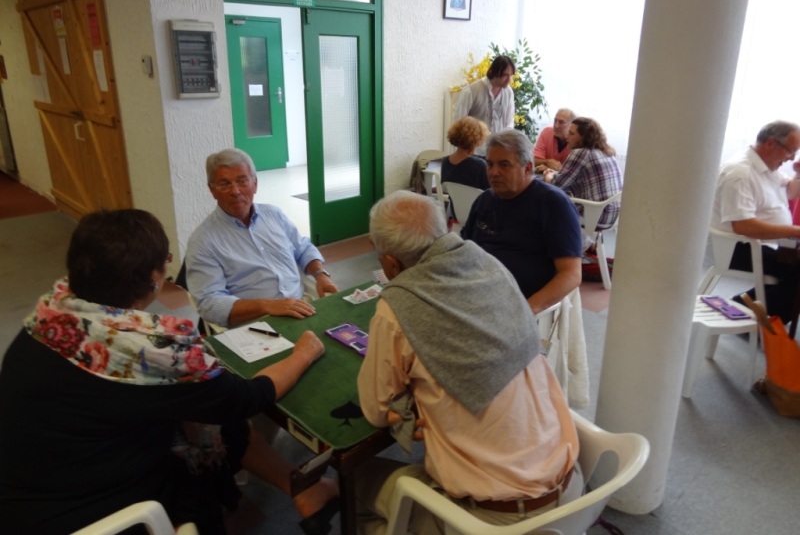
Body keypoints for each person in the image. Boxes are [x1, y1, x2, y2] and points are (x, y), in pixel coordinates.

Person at [0, 209, 338, 535]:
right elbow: (245, 398)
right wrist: (304, 353)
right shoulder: (154, 352)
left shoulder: (52, 311)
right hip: (89, 508)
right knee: (217, 418)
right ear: (154, 279)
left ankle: (304, 489)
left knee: (212, 418)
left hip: (29, 477)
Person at [355, 191, 581, 534]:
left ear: (390, 263)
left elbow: (376, 410)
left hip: (493, 523)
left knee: (354, 483)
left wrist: (409, 406)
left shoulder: (396, 309)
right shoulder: (491, 266)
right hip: (573, 494)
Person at [186, 149, 338, 328]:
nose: (235, 191)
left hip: (303, 307)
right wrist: (266, 306)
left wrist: (321, 275)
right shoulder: (202, 242)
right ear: (212, 190)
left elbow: (303, 248)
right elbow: (209, 303)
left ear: (255, 184)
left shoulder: (274, 215)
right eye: (224, 184)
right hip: (257, 325)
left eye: (242, 181)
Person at [461, 129, 584, 314]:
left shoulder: (553, 203)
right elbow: (465, 250)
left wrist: (524, 311)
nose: (493, 172)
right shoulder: (484, 200)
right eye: (490, 164)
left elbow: (571, 274)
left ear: (527, 168)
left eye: (504, 165)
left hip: (520, 305)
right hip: (478, 297)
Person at [711, 120, 800, 323]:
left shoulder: (767, 167)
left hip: (766, 244)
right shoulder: (740, 173)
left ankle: (746, 309)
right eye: (791, 151)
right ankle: (753, 319)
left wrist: (798, 173)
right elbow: (744, 226)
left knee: (794, 275)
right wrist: (795, 231)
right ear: (770, 144)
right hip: (739, 248)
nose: (791, 158)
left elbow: (792, 192)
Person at [543, 116, 622, 232]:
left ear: (584, 137)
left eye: (571, 134)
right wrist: (556, 173)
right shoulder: (605, 151)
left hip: (594, 216)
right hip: (612, 215)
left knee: (547, 199)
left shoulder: (581, 152)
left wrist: (547, 175)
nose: (567, 137)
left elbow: (556, 184)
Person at [452, 55, 516, 155]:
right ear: (493, 72)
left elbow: (509, 122)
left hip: (496, 152)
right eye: (505, 75)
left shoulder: (509, 92)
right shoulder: (471, 91)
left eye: (511, 75)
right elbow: (459, 122)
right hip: (473, 152)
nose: (509, 80)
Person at [440, 116, 490, 193]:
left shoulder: (445, 162)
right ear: (477, 139)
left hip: (455, 201)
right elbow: (491, 192)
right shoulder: (480, 166)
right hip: (478, 201)